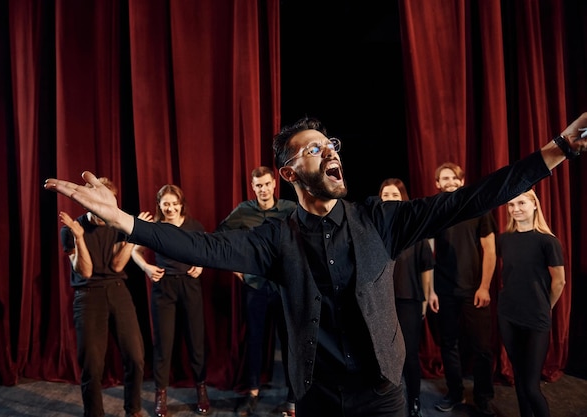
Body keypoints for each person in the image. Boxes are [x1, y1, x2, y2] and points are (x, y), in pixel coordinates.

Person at [44, 112, 587, 417]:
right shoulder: (274, 239)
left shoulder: (381, 220)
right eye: (311, 149)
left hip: (383, 394)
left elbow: (471, 198)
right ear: (286, 173)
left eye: (330, 144)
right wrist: (123, 220)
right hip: (319, 397)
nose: (329, 152)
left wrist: (558, 149)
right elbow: (203, 248)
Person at [58, 177, 145, 417]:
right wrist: (79, 238)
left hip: (118, 290)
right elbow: (84, 271)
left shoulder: (117, 225)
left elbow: (117, 266)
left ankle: (133, 409)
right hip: (88, 296)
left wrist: (132, 237)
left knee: (136, 357)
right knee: (92, 366)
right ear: (87, 202)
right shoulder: (71, 229)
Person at [216, 166, 297, 417]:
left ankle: (293, 399)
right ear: (253, 187)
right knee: (254, 341)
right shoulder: (243, 211)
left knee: (289, 343)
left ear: (274, 184)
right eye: (258, 185)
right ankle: (252, 393)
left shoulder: (289, 209)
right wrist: (235, 268)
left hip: (284, 288)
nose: (263, 189)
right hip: (255, 287)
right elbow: (221, 235)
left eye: (266, 184)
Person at [130, 184, 210, 417]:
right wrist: (146, 267)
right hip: (164, 286)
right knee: (163, 343)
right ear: (160, 205)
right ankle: (160, 393)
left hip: (189, 284)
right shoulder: (154, 227)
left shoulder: (194, 226)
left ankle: (201, 389)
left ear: (181, 203)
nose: (171, 208)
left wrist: (201, 264)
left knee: (196, 340)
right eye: (166, 204)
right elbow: (136, 252)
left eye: (175, 203)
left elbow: (208, 249)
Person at [431, 161, 498, 416]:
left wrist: (484, 286)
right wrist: (431, 291)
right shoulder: (434, 211)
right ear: (437, 184)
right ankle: (455, 392)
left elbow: (490, 250)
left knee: (482, 347)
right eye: (444, 179)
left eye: (453, 178)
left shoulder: (478, 207)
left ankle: (482, 397)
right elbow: (428, 249)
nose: (449, 182)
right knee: (448, 344)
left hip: (474, 290)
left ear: (461, 181)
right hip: (443, 290)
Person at [497, 189, 565, 417]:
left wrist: (546, 307)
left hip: (536, 318)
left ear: (535, 205)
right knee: (519, 377)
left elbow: (559, 281)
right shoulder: (504, 239)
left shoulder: (547, 241)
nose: (515, 209)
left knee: (530, 386)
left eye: (521, 203)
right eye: (511, 205)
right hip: (508, 315)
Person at [379, 178, 435, 417]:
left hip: (409, 300)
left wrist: (424, 300)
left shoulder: (417, 230)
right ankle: (385, 402)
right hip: (381, 304)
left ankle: (413, 401)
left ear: (403, 199)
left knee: (410, 355)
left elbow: (426, 268)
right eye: (386, 195)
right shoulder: (373, 231)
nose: (390, 199)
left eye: (395, 195)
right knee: (382, 355)